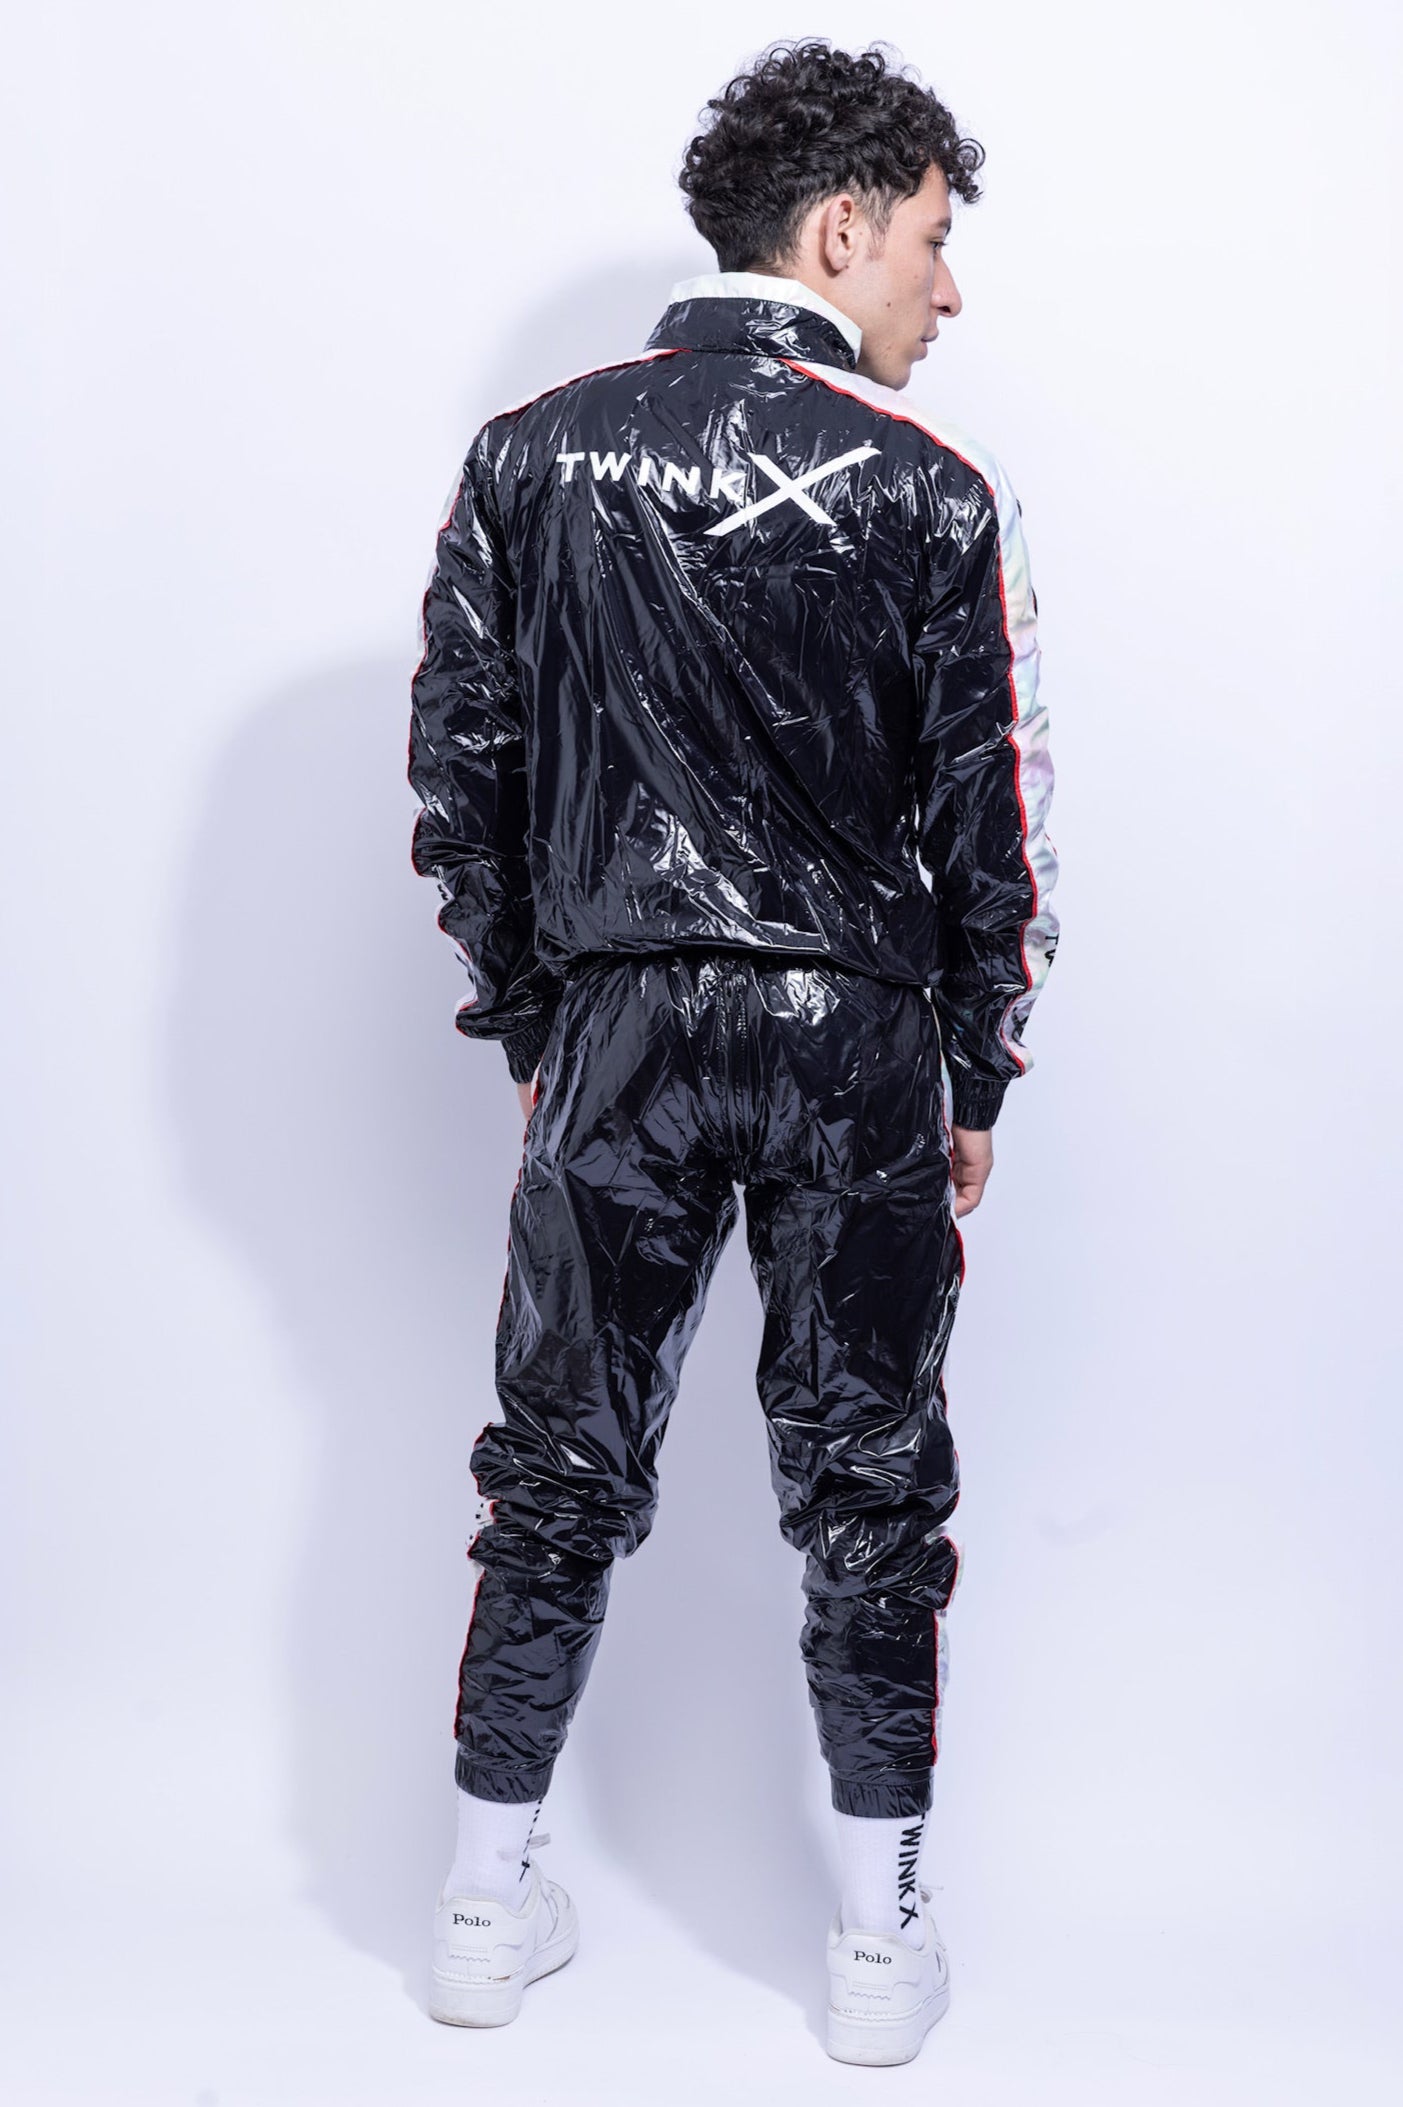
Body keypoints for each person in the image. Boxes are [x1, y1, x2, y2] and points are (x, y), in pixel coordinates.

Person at [407, 36, 1059, 2066]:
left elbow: (460, 775)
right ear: (841, 226)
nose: (950, 289)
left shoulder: (530, 456)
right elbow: (998, 818)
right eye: (933, 240)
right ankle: (878, 1943)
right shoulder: (936, 488)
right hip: (854, 1039)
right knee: (868, 1477)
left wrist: (545, 1018)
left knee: (555, 1467)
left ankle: (482, 1907)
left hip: (621, 1024)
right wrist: (976, 1066)